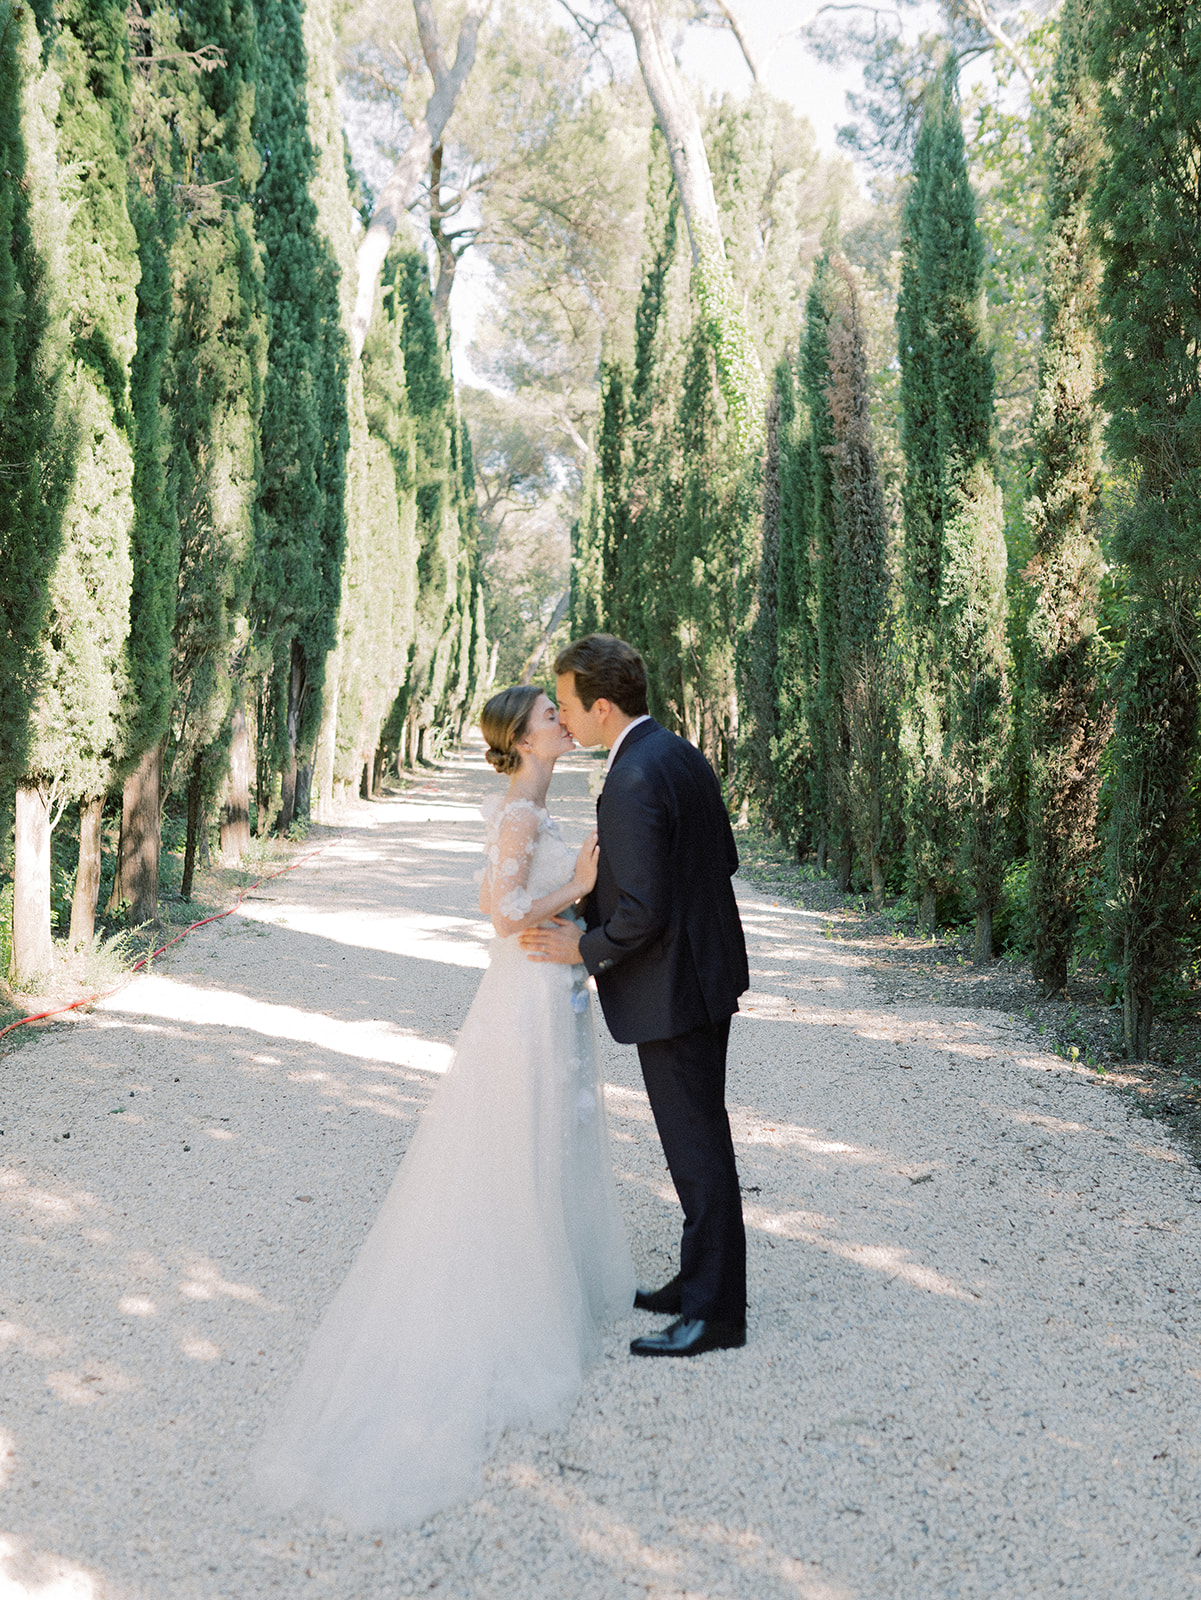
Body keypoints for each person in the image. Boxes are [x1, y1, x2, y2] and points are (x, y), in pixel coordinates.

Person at [253, 685, 634, 1530]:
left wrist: (582, 905)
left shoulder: (535, 799)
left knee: (553, 1131)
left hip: (553, 983)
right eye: (547, 715)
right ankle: (516, 1290)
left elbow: (491, 900)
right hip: (527, 990)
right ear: (522, 739)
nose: (561, 721)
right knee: (523, 1133)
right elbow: (499, 917)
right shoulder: (520, 813)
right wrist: (574, 884)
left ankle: (553, 1271)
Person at [520, 634, 750, 1359]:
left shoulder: (630, 779)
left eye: (565, 705)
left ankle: (714, 1314)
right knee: (698, 1138)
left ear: (602, 706)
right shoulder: (677, 754)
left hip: (673, 988)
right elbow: (723, 859)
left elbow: (643, 911)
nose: (563, 717)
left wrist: (581, 948)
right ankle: (697, 1281)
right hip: (705, 972)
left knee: (695, 1148)